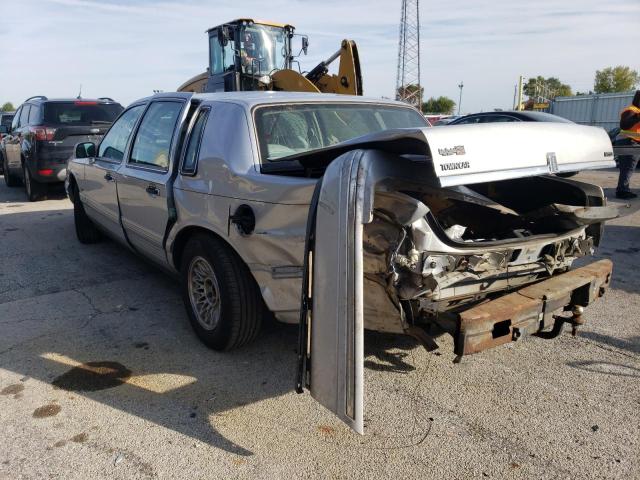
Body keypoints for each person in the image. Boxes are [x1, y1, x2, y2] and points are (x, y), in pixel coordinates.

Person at [616, 90, 640, 199]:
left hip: (631, 141)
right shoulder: (631, 110)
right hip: (628, 142)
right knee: (628, 167)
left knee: (627, 167)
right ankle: (622, 191)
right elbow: (624, 125)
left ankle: (623, 189)